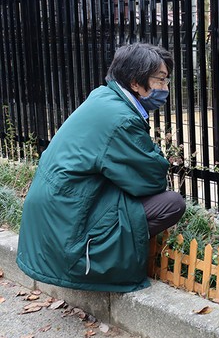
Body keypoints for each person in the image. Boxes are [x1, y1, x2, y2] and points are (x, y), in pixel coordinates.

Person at [17, 43, 186, 292]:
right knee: (172, 203)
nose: (165, 88)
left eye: (167, 80)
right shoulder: (122, 120)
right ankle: (107, 260)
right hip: (68, 237)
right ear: (135, 82)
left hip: (52, 222)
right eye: (160, 80)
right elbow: (151, 180)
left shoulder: (103, 97)